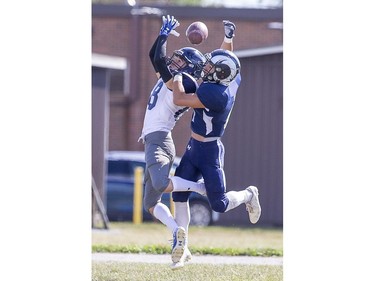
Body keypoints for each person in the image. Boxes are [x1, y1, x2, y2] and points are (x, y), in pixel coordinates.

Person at [170, 21, 262, 267]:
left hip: (209, 150)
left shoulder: (216, 95)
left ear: (219, 73)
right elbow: (227, 59)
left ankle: (248, 194)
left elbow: (179, 98)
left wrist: (177, 74)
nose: (206, 66)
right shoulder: (228, 80)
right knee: (179, 195)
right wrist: (228, 37)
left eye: (210, 66)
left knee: (218, 204)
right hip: (193, 145)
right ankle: (182, 246)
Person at [138, 15, 208, 268]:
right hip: (152, 139)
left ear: (189, 68)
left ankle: (199, 188)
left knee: (159, 183)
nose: (174, 61)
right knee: (150, 203)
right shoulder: (173, 76)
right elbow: (153, 54)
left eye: (181, 60)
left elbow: (158, 58)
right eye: (176, 58)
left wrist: (165, 35)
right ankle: (177, 232)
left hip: (159, 139)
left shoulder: (182, 81)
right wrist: (161, 35)